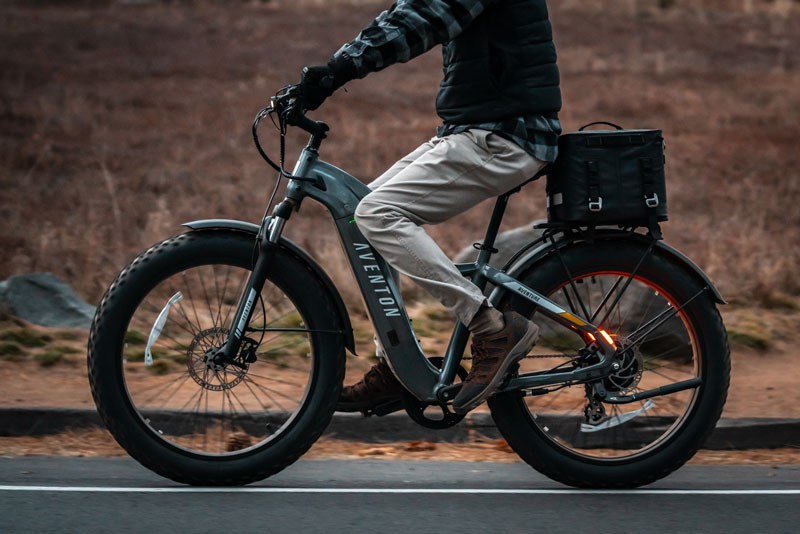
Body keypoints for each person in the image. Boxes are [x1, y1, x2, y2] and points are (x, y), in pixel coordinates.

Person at [297, 0, 561, 414]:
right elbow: (403, 10)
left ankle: (491, 327)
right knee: (358, 216)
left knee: (376, 214)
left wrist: (340, 69)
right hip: (472, 129)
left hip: (507, 135)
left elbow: (428, 17)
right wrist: (332, 70)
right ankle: (399, 361)